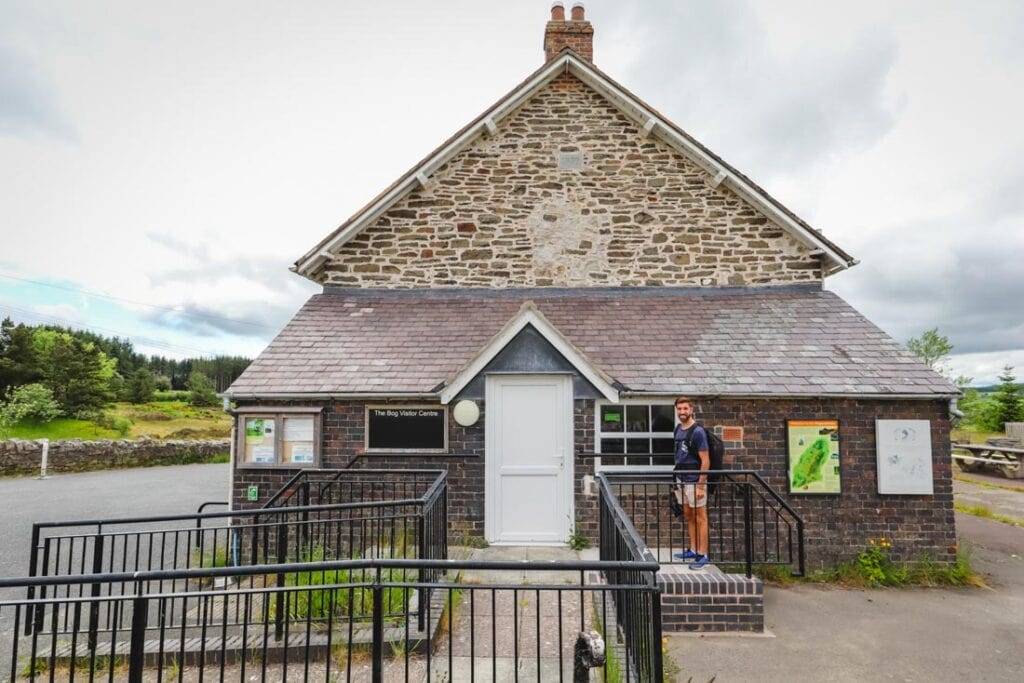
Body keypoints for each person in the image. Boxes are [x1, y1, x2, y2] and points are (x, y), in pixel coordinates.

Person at [671, 396, 711, 570]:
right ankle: (693, 549)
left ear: (691, 410)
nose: (682, 412)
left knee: (700, 517)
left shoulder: (698, 432)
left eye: (685, 409)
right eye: (679, 409)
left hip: (694, 480)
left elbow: (706, 460)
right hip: (681, 479)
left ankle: (703, 555)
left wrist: (701, 486)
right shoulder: (678, 429)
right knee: (688, 515)